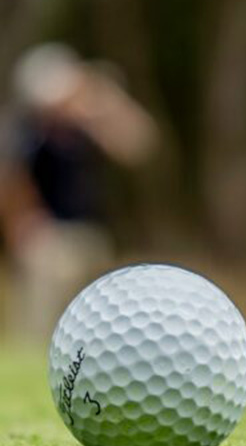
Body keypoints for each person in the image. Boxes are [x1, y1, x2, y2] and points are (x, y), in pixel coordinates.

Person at [0, 43, 156, 340]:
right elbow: (10, 181)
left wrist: (108, 100)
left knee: (91, 325)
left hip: (91, 234)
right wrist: (21, 226)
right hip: (47, 237)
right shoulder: (28, 131)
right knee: (38, 324)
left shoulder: (88, 128)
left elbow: (139, 145)